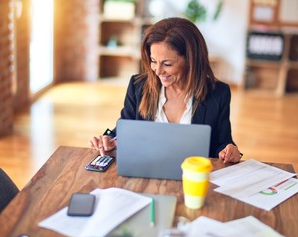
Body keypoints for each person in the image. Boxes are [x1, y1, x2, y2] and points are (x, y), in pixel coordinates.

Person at [89, 17, 242, 163]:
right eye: (153, 61)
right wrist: (110, 141)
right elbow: (124, 131)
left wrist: (229, 151)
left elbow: (222, 143)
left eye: (167, 64)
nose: (157, 71)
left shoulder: (218, 94)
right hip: (146, 173)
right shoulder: (138, 87)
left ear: (191, 59)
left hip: (193, 178)